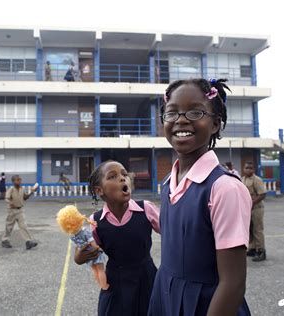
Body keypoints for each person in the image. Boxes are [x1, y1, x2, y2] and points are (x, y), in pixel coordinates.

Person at [148, 78, 252, 315]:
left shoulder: (224, 188)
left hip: (208, 305)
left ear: (215, 124)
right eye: (171, 113)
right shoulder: (167, 184)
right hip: (166, 294)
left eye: (195, 112)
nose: (181, 119)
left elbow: (233, 284)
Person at [74, 160, 160, 315]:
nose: (122, 178)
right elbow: (81, 254)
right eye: (112, 176)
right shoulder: (96, 221)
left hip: (147, 278)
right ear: (100, 190)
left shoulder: (145, 209)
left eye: (124, 174)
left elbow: (173, 232)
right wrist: (80, 256)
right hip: (115, 283)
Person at [1, 175, 39, 250]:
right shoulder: (11, 189)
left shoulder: (22, 189)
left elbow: (25, 198)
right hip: (12, 211)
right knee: (9, 226)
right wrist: (10, 203)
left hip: (20, 210)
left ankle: (28, 242)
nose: (19, 181)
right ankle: (5, 240)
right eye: (17, 180)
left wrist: (31, 192)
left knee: (23, 226)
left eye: (20, 180)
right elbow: (7, 198)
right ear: (13, 182)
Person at [242, 161, 267, 262]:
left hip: (256, 208)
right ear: (243, 169)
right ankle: (252, 248)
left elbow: (262, 194)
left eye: (250, 168)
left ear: (254, 170)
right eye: (246, 168)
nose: (248, 170)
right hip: (247, 209)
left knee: (257, 229)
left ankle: (261, 250)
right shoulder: (242, 179)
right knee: (249, 229)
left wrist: (251, 203)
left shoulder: (257, 180)